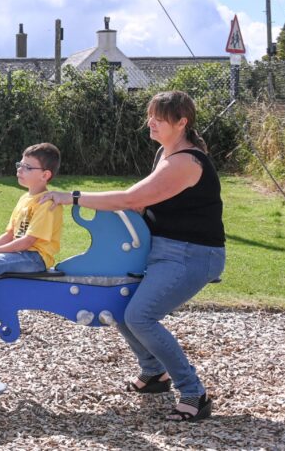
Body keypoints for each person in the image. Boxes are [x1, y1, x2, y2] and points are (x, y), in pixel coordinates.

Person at [40, 90, 224, 423]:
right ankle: (154, 374)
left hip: (191, 254)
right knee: (123, 307)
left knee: (141, 316)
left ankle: (194, 393)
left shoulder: (185, 162)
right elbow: (140, 203)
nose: (150, 122)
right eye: (150, 114)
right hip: (164, 250)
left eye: (160, 117)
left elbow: (130, 198)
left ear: (182, 122)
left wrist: (72, 197)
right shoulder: (166, 154)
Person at [0, 143, 63, 354]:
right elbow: (10, 235)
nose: (19, 170)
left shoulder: (47, 203)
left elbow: (27, 241)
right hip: (21, 253)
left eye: (27, 167)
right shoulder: (24, 199)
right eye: (20, 164)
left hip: (35, 257)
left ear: (45, 175)